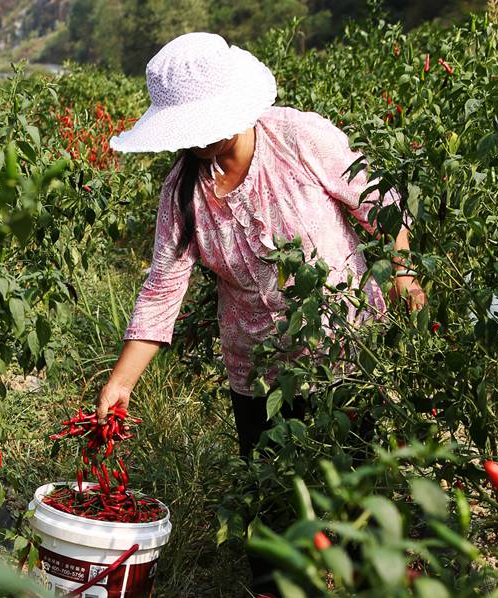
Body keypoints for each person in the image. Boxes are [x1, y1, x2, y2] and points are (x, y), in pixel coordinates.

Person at [95, 32, 426, 596]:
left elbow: (382, 203)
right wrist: (120, 382)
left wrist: (403, 271)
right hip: (258, 372)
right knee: (272, 510)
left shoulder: (295, 138)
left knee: (356, 498)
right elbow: (161, 291)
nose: (194, 141)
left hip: (344, 352)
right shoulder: (183, 192)